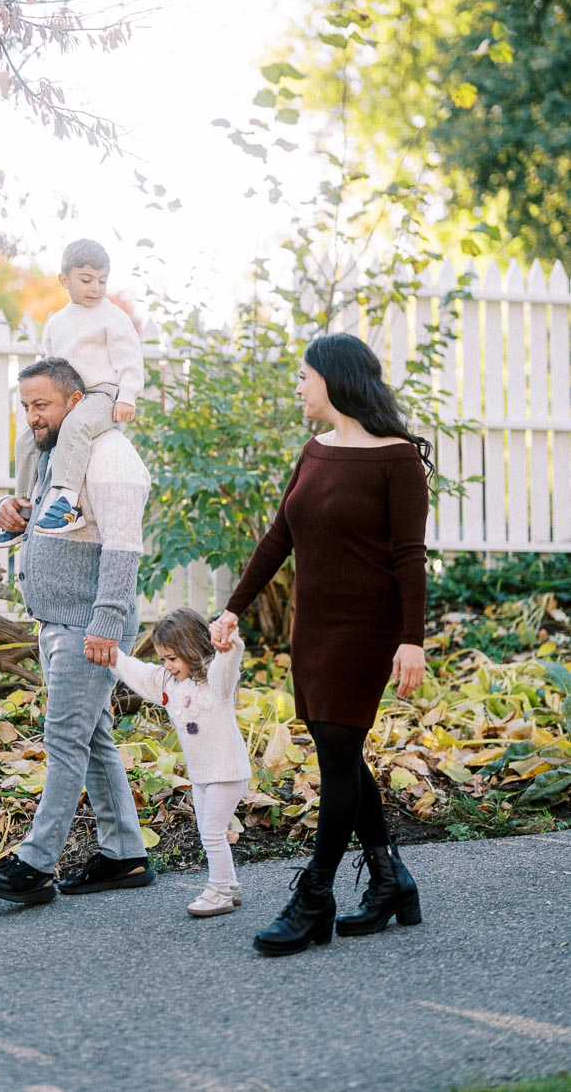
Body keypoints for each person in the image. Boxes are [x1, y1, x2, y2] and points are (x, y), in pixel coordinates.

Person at [213, 332, 431, 956]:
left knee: (336, 757)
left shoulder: (398, 460)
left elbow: (410, 558)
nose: (299, 387)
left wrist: (411, 641)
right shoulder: (314, 452)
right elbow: (280, 534)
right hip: (315, 627)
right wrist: (233, 609)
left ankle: (314, 897)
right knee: (338, 751)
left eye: (305, 376)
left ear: (335, 380)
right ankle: (391, 879)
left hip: (367, 629)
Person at [0, 356, 154, 904]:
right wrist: (12, 510)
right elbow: (61, 522)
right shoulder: (60, 455)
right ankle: (124, 855)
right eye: (26, 405)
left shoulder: (112, 458)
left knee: (64, 738)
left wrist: (104, 624)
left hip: (88, 626)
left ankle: (35, 863)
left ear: (75, 402)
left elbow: (124, 548)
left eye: (42, 405)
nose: (32, 416)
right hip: (59, 623)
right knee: (92, 736)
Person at [0, 238, 144, 546]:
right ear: (65, 280)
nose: (95, 287)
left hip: (100, 395)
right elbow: (50, 364)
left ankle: (67, 502)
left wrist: (127, 396)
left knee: (76, 425)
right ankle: (24, 508)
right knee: (30, 435)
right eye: (86, 280)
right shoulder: (58, 322)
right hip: (66, 397)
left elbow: (130, 359)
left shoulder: (112, 317)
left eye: (102, 280)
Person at [100, 607, 251, 917]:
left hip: (227, 771)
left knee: (211, 832)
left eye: (172, 659)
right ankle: (230, 884)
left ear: (192, 650)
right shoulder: (168, 682)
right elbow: (139, 673)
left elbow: (227, 663)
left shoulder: (215, 682)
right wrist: (114, 657)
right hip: (201, 774)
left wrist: (229, 640)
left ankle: (219, 890)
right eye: (163, 659)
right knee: (211, 832)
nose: (167, 666)